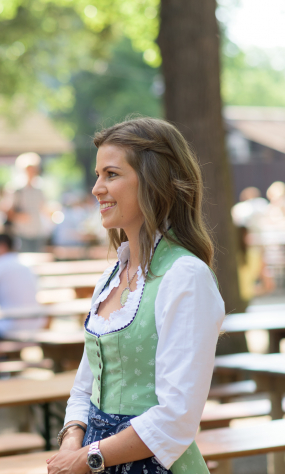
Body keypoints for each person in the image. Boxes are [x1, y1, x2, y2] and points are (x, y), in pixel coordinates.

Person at [47, 118, 224, 474]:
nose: (96, 188)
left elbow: (177, 417)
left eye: (111, 174)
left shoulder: (185, 276)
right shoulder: (113, 276)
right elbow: (85, 386)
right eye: (98, 175)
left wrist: (87, 457)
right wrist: (71, 445)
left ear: (154, 182)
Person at [6, 152, 49, 252]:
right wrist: (20, 216)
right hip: (21, 233)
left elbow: (43, 208)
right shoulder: (16, 189)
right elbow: (9, 212)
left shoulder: (40, 188)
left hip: (37, 232)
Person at [236, 225, 274, 304]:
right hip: (246, 300)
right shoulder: (256, 256)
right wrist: (250, 291)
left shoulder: (230, 257)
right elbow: (269, 285)